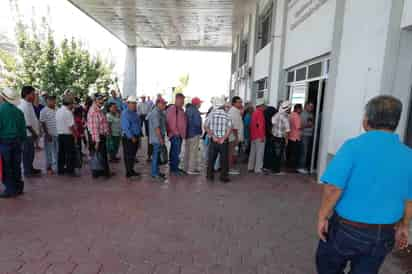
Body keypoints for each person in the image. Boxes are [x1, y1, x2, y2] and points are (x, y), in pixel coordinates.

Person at [316, 95, 412, 274]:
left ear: (366, 121)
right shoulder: (409, 155)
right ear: (395, 123)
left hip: (346, 229)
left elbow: (333, 187)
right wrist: (404, 225)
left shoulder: (353, 147)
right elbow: (409, 198)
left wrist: (322, 216)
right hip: (384, 233)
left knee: (327, 265)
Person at [0, 88, 26, 198]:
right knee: (16, 165)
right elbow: (22, 129)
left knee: (7, 166)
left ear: (2, 97)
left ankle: (10, 189)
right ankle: (18, 187)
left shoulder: (0, 110)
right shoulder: (19, 111)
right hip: (17, 141)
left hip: (4, 142)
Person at [204, 105, 233, 183]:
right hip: (223, 141)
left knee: (211, 159)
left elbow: (205, 126)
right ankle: (223, 177)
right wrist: (223, 138)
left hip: (214, 140)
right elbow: (229, 129)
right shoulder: (227, 115)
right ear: (224, 108)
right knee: (224, 160)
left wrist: (213, 136)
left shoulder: (211, 115)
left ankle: (209, 176)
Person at [18, 86, 41, 177]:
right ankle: (27, 171)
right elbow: (27, 124)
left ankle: (30, 168)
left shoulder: (29, 104)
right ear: (27, 94)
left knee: (31, 153)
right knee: (27, 153)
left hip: (31, 134)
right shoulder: (23, 105)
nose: (34, 96)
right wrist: (34, 133)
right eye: (32, 94)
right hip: (27, 134)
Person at [87, 93, 111, 178]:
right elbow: (94, 128)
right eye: (99, 99)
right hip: (97, 138)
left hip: (100, 136)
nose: (101, 101)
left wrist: (106, 132)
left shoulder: (98, 109)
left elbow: (102, 123)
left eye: (102, 99)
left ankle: (100, 172)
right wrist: (97, 141)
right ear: (95, 100)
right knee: (99, 155)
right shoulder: (93, 111)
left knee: (100, 155)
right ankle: (102, 173)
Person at [166, 93, 187, 176]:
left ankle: (175, 168)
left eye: (183, 100)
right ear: (177, 99)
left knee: (176, 152)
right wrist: (176, 133)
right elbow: (171, 123)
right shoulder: (172, 109)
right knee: (175, 152)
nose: (183, 102)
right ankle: (174, 169)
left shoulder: (180, 109)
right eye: (181, 100)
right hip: (175, 135)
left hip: (179, 135)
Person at [121, 96, 142, 178]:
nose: (134, 105)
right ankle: (128, 172)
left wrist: (139, 136)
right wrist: (131, 137)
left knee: (133, 155)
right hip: (129, 138)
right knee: (128, 155)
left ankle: (131, 170)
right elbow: (125, 127)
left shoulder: (134, 113)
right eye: (132, 103)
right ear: (128, 104)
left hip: (135, 136)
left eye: (135, 103)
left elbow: (138, 125)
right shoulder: (125, 113)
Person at [56, 95, 77, 176]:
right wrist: (75, 136)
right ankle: (70, 171)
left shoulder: (58, 111)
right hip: (68, 135)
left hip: (60, 135)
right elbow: (71, 126)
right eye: (72, 104)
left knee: (61, 153)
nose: (73, 105)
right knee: (69, 153)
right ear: (70, 104)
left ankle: (60, 170)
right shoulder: (68, 112)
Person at [147, 97, 167, 182]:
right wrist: (160, 139)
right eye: (163, 104)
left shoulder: (160, 112)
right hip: (156, 139)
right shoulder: (155, 113)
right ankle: (154, 173)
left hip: (158, 137)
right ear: (158, 103)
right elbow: (157, 128)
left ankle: (157, 172)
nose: (164, 105)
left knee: (157, 156)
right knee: (155, 156)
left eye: (165, 104)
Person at [270, 101, 291, 175]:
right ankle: (276, 171)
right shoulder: (285, 117)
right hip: (280, 138)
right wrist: (287, 140)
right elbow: (287, 130)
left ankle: (273, 169)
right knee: (279, 154)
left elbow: (272, 123)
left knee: (274, 154)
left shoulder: (276, 114)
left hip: (274, 136)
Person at [184, 97, 203, 175]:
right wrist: (200, 131)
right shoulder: (195, 111)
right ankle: (191, 169)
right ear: (197, 104)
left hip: (187, 133)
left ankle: (186, 168)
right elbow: (197, 123)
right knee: (193, 152)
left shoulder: (187, 110)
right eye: (200, 103)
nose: (200, 104)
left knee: (187, 151)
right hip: (194, 133)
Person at [39, 95, 58, 175]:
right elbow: (42, 123)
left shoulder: (57, 109)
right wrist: (47, 134)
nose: (53, 102)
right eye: (51, 100)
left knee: (57, 151)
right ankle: (49, 167)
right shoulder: (43, 111)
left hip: (57, 134)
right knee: (49, 152)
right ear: (47, 101)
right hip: (49, 134)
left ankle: (57, 166)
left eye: (54, 100)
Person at [248, 100, 266, 174]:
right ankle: (258, 169)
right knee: (260, 153)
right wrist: (262, 136)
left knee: (253, 152)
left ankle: (250, 167)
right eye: (264, 106)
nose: (265, 107)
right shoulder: (260, 113)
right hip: (259, 136)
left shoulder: (254, 113)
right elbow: (260, 126)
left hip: (253, 136)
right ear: (261, 106)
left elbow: (252, 125)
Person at [227, 96, 244, 175]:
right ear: (234, 103)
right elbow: (234, 127)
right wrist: (237, 138)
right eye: (239, 102)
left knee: (232, 153)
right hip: (233, 137)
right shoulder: (234, 112)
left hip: (234, 136)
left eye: (241, 102)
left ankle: (230, 168)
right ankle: (229, 169)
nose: (241, 103)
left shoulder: (236, 111)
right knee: (231, 153)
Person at [297, 102, 315, 174]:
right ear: (306, 106)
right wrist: (308, 125)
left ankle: (305, 166)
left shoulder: (311, 114)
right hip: (304, 135)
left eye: (312, 106)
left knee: (307, 151)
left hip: (309, 135)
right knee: (304, 151)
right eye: (310, 106)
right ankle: (300, 167)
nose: (311, 108)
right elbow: (300, 126)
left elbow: (312, 124)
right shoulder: (302, 114)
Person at [262, 106, 278, 173]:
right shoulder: (270, 119)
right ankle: (268, 166)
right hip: (270, 137)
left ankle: (266, 166)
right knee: (269, 151)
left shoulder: (265, 117)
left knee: (266, 151)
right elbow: (270, 129)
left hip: (266, 136)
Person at [287, 104, 303, 171]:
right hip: (296, 137)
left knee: (290, 153)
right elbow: (298, 127)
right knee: (295, 154)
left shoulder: (290, 115)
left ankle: (289, 166)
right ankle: (293, 168)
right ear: (297, 109)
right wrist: (306, 126)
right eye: (301, 109)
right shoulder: (297, 116)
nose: (301, 110)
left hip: (290, 136)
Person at [137, 95, 152, 161]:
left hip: (146, 115)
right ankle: (140, 132)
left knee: (147, 126)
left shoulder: (148, 104)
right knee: (140, 125)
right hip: (141, 115)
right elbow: (138, 110)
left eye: (144, 98)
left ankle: (147, 133)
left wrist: (147, 116)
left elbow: (149, 110)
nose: (143, 99)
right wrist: (139, 114)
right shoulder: (139, 104)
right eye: (142, 98)